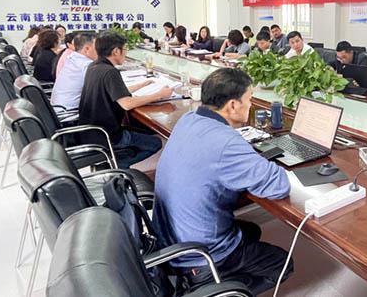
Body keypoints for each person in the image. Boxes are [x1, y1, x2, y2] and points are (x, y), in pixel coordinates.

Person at [153, 68, 292, 295]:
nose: (251, 105)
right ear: (233, 105)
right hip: (199, 255)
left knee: (251, 230)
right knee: (283, 264)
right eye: (249, 100)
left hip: (171, 239)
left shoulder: (189, 119)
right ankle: (217, 290)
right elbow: (278, 186)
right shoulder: (226, 142)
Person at [79, 31, 172, 168]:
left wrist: (142, 84)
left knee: (145, 131)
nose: (126, 52)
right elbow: (127, 104)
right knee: (155, 143)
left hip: (93, 132)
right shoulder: (110, 72)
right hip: (108, 135)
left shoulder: (94, 66)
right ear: (116, 51)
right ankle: (116, 165)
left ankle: (112, 162)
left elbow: (114, 91)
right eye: (125, 49)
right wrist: (160, 94)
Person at [51, 33, 98, 110]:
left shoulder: (72, 58)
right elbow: (100, 88)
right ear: (87, 49)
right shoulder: (85, 64)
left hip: (57, 108)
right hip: (70, 112)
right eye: (97, 47)